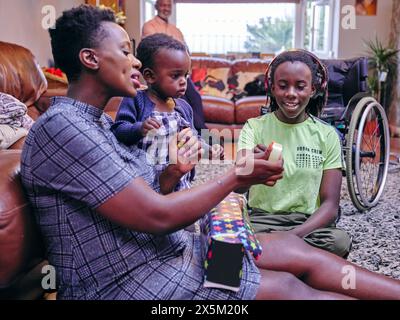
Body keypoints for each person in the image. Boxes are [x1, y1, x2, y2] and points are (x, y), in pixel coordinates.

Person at [20, 5, 400, 300]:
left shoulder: (96, 123)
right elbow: (156, 215)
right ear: (90, 59)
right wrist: (236, 176)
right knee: (284, 287)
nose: (137, 62)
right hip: (137, 284)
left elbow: (149, 194)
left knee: (292, 249)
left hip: (171, 255)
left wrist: (171, 172)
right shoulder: (63, 127)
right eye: (124, 50)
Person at [237, 50, 352, 258]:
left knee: (339, 242)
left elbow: (330, 206)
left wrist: (291, 237)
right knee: (231, 242)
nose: (291, 93)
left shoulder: (327, 135)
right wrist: (253, 170)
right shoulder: (254, 128)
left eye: (300, 87)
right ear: (272, 88)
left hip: (308, 224)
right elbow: (239, 186)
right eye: (283, 86)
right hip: (262, 220)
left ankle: (274, 258)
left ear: (312, 90)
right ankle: (298, 262)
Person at [111, 33, 223, 193]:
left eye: (186, 75)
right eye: (175, 75)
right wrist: (139, 128)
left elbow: (193, 138)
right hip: (145, 185)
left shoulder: (183, 107)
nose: (184, 81)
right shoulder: (136, 99)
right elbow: (119, 130)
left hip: (180, 181)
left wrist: (208, 149)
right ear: (150, 76)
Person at [141, 0, 207, 132]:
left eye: (168, 6)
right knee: (183, 101)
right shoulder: (149, 26)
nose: (166, 8)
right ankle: (206, 136)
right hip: (166, 74)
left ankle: (204, 134)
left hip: (177, 72)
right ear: (156, 7)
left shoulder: (175, 29)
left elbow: (184, 48)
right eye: (163, 5)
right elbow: (154, 49)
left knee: (195, 98)